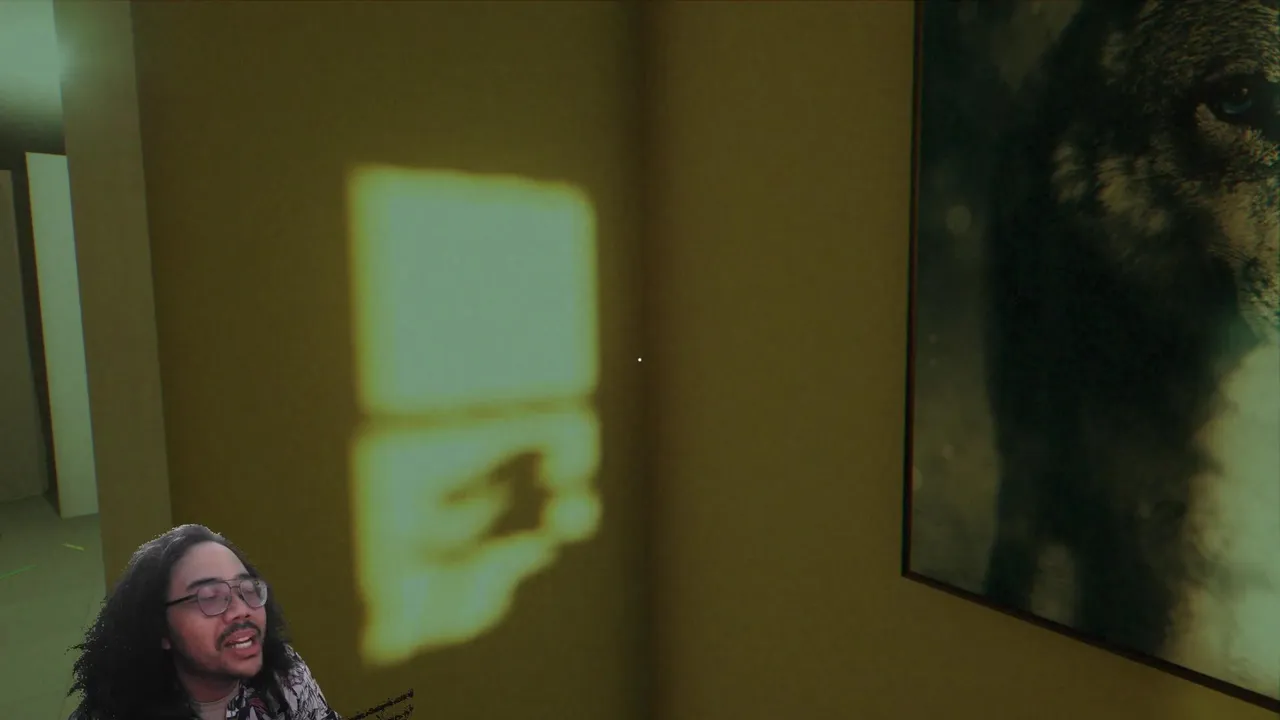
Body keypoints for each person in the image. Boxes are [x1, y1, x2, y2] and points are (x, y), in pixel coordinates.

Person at [66, 524, 341, 720]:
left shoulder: (285, 674)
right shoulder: (111, 713)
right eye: (210, 598)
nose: (242, 610)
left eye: (248, 590)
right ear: (160, 627)